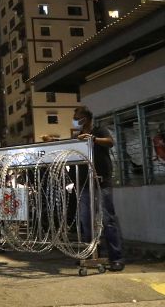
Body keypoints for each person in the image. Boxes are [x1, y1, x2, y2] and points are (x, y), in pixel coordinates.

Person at [73, 106, 125, 271]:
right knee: (86, 221)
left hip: (101, 182)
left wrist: (93, 139)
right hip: (84, 183)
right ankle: (91, 254)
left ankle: (116, 258)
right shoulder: (77, 136)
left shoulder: (98, 130)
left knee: (108, 220)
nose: (76, 120)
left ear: (86, 118)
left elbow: (110, 142)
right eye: (75, 118)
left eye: (78, 117)